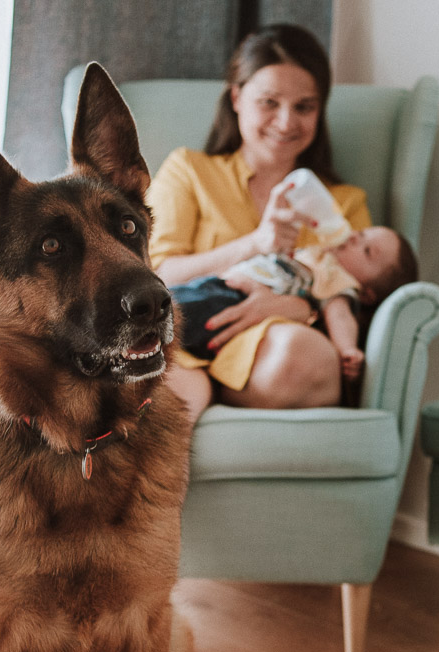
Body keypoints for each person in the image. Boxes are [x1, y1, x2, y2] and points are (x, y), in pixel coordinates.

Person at [145, 23, 375, 421]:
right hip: (182, 340)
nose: (286, 122)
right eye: (269, 102)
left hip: (272, 356)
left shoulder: (345, 204)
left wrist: (295, 307)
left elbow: (357, 296)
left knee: (302, 357)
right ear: (236, 97)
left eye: (304, 107)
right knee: (170, 383)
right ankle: (206, 391)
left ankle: (229, 389)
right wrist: (256, 242)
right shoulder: (189, 170)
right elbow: (158, 275)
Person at [169, 225, 417, 388]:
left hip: (235, 301)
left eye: (366, 250)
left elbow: (340, 315)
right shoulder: (322, 253)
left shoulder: (341, 283)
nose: (353, 238)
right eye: (361, 234)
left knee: (177, 312)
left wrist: (347, 349)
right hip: (222, 283)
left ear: (367, 295)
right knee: (178, 299)